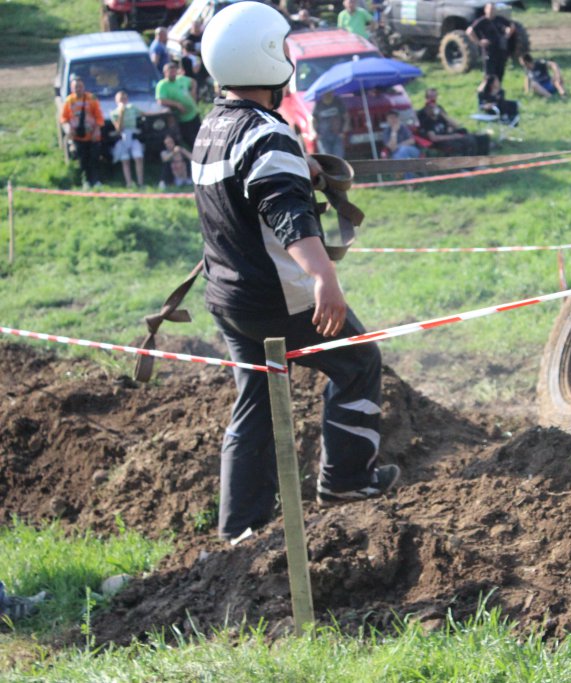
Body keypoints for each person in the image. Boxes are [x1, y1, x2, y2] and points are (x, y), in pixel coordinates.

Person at [196, 0, 399, 541]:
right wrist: (324, 278)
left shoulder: (213, 127)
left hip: (228, 299)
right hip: (278, 300)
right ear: (268, 56)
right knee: (359, 361)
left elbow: (251, 190)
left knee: (257, 401)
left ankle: (240, 527)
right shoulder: (268, 134)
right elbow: (288, 214)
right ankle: (347, 481)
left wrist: (299, 164)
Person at [60, 74, 104, 189]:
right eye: (76, 87)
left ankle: (96, 180)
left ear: (83, 87)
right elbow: (63, 118)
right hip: (78, 137)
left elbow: (99, 117)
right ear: (72, 88)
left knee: (94, 158)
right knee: (82, 160)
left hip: (93, 136)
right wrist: (68, 128)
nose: (78, 89)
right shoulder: (69, 100)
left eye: (80, 86)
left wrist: (96, 130)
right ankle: (86, 181)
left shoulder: (92, 98)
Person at [416, 87, 489, 156]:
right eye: (430, 97)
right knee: (467, 141)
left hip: (449, 134)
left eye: (435, 96)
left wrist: (443, 115)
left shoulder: (439, 109)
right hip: (442, 140)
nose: (433, 99)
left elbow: (456, 125)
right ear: (426, 98)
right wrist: (453, 136)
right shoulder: (423, 114)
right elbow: (433, 138)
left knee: (481, 138)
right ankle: (469, 163)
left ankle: (481, 160)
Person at [156, 61, 201, 149]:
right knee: (189, 139)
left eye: (174, 71)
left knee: (200, 135)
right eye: (171, 72)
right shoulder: (162, 85)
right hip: (182, 117)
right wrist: (177, 104)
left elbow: (193, 82)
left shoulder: (181, 79)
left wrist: (193, 91)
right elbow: (161, 100)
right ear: (165, 73)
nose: (173, 74)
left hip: (194, 113)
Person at [467, 3, 515, 82]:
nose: (491, 11)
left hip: (500, 51)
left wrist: (507, 35)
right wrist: (479, 42)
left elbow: (512, 25)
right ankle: (488, 88)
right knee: (489, 76)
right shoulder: (482, 21)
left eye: (493, 9)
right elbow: (469, 31)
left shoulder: (500, 19)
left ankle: (498, 88)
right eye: (490, 9)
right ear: (486, 10)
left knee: (500, 73)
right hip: (489, 52)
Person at [111, 90, 145, 187]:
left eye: (125, 99)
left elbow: (144, 114)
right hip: (123, 137)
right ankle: (129, 183)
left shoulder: (132, 108)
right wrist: (121, 113)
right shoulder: (114, 113)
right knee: (125, 160)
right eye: (121, 99)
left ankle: (140, 183)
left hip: (133, 135)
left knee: (138, 157)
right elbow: (118, 129)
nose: (123, 101)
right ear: (117, 101)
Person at [383, 109, 419, 179]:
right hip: (397, 154)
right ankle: (410, 180)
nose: (393, 119)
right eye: (391, 118)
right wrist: (394, 132)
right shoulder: (386, 132)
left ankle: (399, 174)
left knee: (402, 150)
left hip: (412, 150)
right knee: (406, 159)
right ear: (387, 120)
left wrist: (399, 146)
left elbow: (412, 141)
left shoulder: (403, 128)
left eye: (395, 117)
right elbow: (392, 147)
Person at [312, 90, 349, 158]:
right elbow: (314, 120)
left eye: (329, 93)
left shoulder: (338, 102)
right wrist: (317, 133)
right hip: (323, 137)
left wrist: (343, 131)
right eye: (325, 93)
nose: (327, 94)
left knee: (338, 158)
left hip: (337, 135)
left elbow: (346, 117)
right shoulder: (318, 105)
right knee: (327, 158)